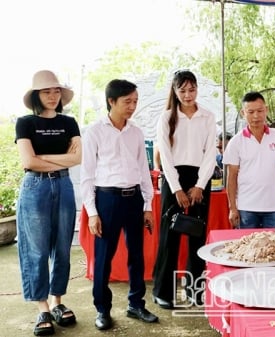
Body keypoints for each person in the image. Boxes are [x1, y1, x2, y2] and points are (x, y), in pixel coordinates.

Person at [81, 79, 158, 330]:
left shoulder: (136, 131)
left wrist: (147, 205)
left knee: (137, 255)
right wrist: (92, 213)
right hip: (107, 200)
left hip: (133, 198)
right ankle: (103, 309)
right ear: (111, 102)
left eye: (135, 101)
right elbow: (87, 176)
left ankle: (136, 304)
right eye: (127, 102)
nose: (132, 106)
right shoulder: (95, 131)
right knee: (104, 257)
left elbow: (143, 171)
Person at [16, 70, 81, 336]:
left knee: (63, 248)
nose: (52, 96)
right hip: (35, 187)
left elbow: (78, 158)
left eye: (56, 91)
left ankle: (57, 301)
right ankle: (42, 307)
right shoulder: (25, 123)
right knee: (38, 250)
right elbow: (28, 162)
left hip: (64, 185)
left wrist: (47, 157)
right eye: (46, 92)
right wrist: (61, 157)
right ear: (36, 96)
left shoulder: (69, 122)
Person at [152, 70, 216, 309]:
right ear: (175, 91)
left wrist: (199, 185)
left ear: (197, 89)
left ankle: (195, 291)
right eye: (183, 90)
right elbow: (165, 158)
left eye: (192, 89)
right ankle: (162, 291)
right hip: (173, 179)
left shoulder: (207, 117)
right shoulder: (167, 117)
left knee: (196, 235)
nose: (188, 95)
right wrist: (177, 189)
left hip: (200, 177)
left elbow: (211, 153)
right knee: (169, 236)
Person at [223, 91, 275, 228]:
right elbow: (232, 177)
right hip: (246, 209)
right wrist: (232, 208)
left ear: (266, 110)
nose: (256, 116)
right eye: (251, 112)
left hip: (273, 208)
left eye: (260, 111)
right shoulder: (236, 142)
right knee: (247, 246)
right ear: (243, 113)